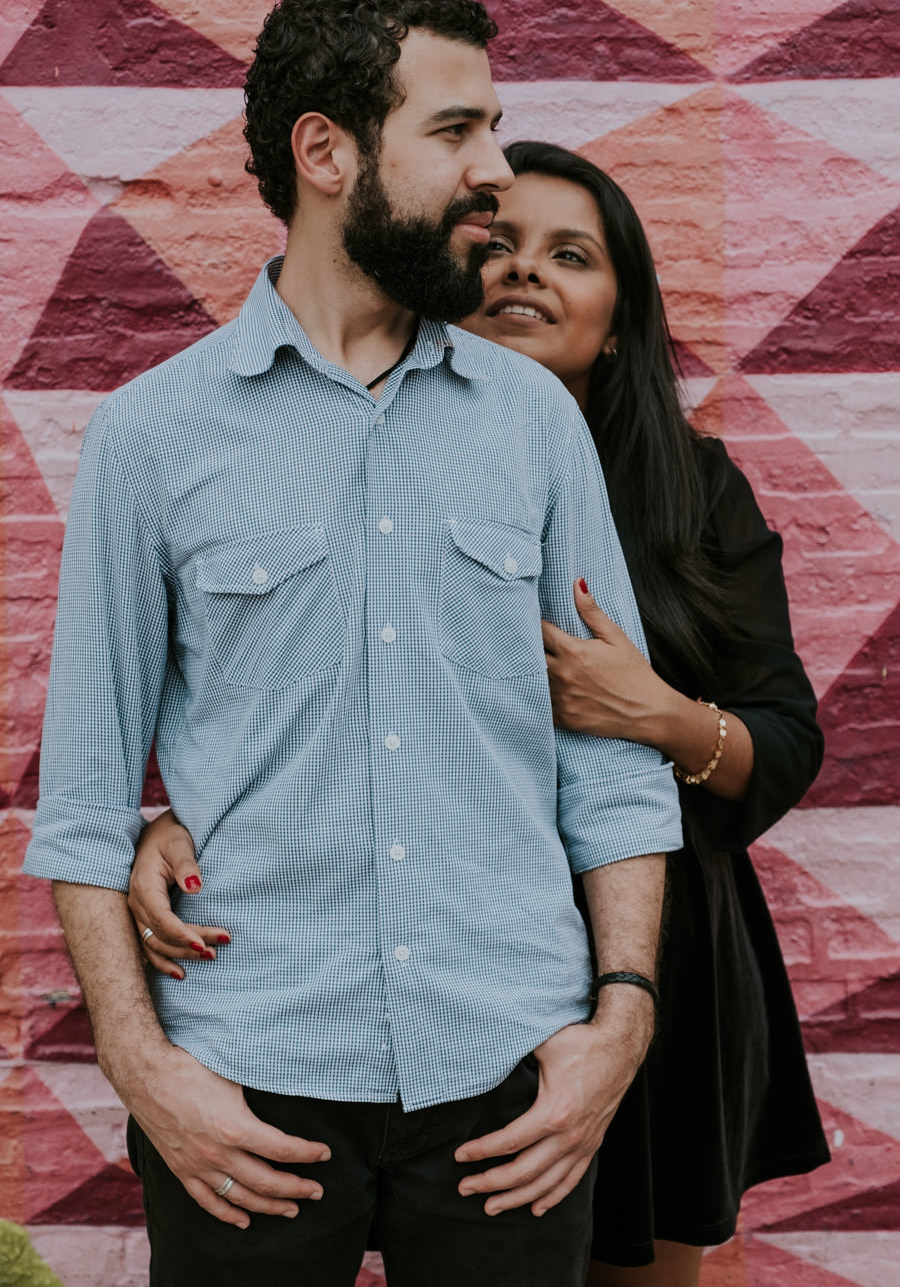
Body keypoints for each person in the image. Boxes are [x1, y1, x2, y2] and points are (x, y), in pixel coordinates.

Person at [23, 0, 686, 1287]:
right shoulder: (153, 439)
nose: (493, 169)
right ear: (326, 152)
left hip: (510, 1076)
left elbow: (611, 766)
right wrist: (147, 1070)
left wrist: (618, 1021)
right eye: (456, 133)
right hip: (247, 1080)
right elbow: (86, 803)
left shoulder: (533, 423)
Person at [131, 141, 830, 1286]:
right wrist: (192, 813)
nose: (523, 275)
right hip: (398, 962)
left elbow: (788, 740)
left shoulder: (689, 488)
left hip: (647, 951)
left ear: (622, 314)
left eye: (571, 255)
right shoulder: (344, 452)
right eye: (501, 247)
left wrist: (654, 714)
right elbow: (305, 686)